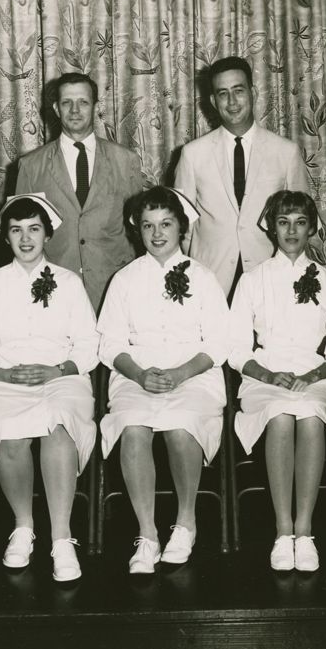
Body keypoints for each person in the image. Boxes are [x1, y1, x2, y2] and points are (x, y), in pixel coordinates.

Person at [0, 194, 99, 582]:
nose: (26, 239)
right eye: (16, 230)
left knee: (58, 429)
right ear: (5, 237)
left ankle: (61, 537)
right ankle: (23, 527)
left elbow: (88, 344)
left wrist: (57, 370)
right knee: (8, 434)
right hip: (4, 380)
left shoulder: (69, 283)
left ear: (47, 235)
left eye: (34, 229)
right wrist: (0, 374)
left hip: (61, 379)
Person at [96, 186, 230, 574]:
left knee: (179, 426)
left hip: (194, 374)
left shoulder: (203, 278)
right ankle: (148, 533)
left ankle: (185, 522)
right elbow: (111, 344)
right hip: (136, 375)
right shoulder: (124, 279)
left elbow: (218, 343)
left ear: (181, 228)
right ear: (137, 230)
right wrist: (139, 374)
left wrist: (180, 373)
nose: (157, 234)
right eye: (148, 225)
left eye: (166, 224)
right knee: (134, 428)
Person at [229, 191, 326, 572]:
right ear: (271, 227)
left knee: (311, 414)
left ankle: (305, 529)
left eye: (300, 222)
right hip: (264, 375)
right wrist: (269, 375)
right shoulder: (252, 280)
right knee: (280, 415)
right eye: (283, 222)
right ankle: (283, 531)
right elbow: (237, 350)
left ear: (312, 228)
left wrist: (312, 376)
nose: (291, 230)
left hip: (313, 375)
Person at [174, 55, 309, 296]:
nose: (232, 101)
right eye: (223, 93)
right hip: (211, 282)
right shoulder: (192, 154)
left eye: (238, 90)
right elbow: (183, 227)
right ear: (213, 101)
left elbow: (303, 219)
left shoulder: (286, 152)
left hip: (269, 279)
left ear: (253, 93)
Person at [15, 72, 145, 310]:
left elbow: (140, 231)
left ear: (96, 107)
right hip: (54, 292)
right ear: (56, 108)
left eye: (83, 102)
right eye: (67, 103)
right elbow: (21, 236)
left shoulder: (126, 161)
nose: (75, 110)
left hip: (114, 291)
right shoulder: (31, 166)